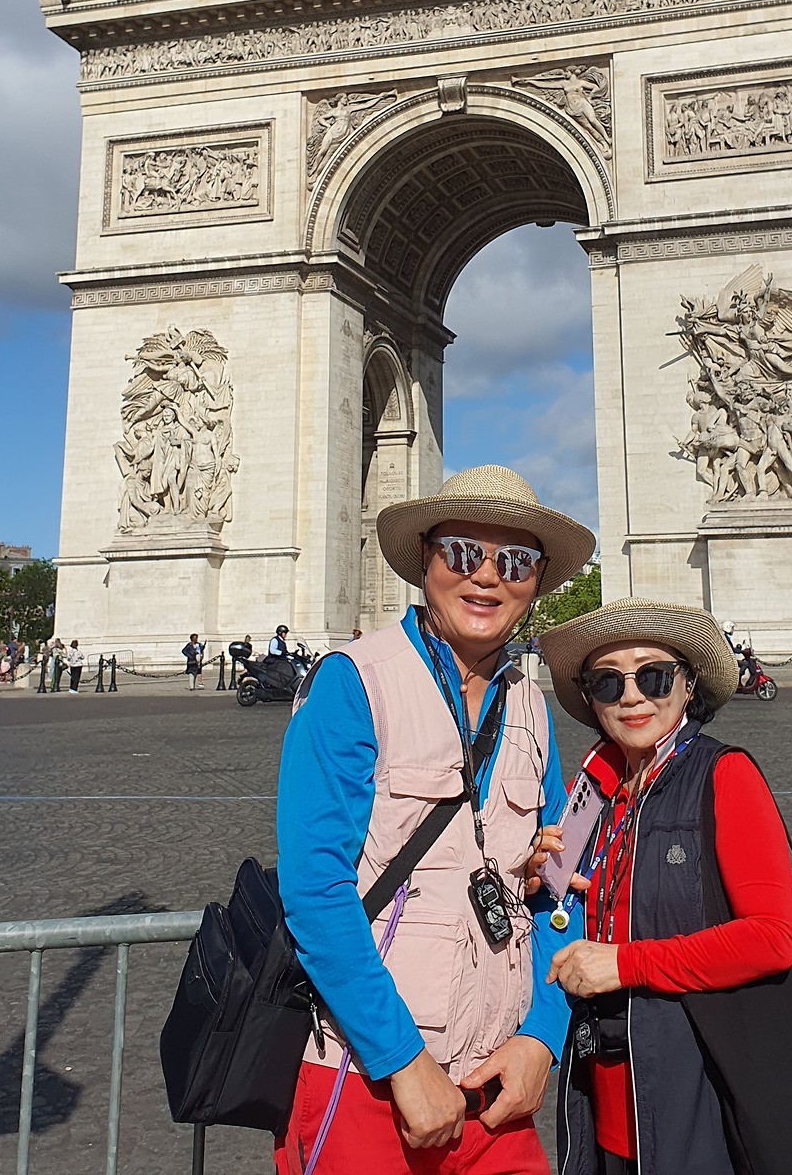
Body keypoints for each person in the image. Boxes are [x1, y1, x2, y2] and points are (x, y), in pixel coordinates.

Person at [274, 465, 597, 1175]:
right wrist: (401, 1060)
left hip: (497, 1085)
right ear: (425, 559)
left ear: (537, 581)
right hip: (366, 1078)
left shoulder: (532, 705)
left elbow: (560, 888)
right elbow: (315, 890)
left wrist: (543, 1038)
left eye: (515, 561)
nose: (486, 576)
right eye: (462, 552)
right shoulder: (351, 683)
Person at [537, 599, 792, 1175]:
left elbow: (773, 938)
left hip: (692, 1096)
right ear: (590, 698)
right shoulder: (595, 796)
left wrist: (625, 964)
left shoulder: (726, 774)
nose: (632, 697)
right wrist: (546, 882)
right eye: (608, 682)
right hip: (600, 1100)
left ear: (688, 685)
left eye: (654, 676)